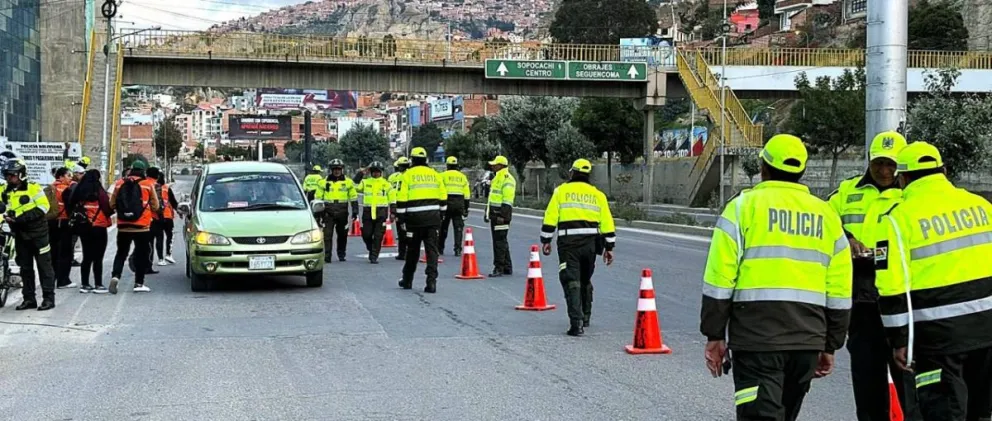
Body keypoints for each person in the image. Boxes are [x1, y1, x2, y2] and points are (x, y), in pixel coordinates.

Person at [700, 134, 853, 421]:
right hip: (807, 341)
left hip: (757, 340)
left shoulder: (742, 208)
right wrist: (831, 343)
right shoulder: (827, 216)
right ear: (802, 171)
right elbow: (840, 289)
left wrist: (715, 334)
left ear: (763, 167)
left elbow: (720, 279)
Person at [875, 141, 992, 421]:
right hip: (987, 331)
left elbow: (891, 288)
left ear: (902, 178)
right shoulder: (982, 207)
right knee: (981, 411)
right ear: (944, 170)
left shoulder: (896, 220)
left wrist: (900, 341)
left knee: (943, 411)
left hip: (937, 339)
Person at [828, 131, 917, 421]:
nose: (884, 170)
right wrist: (848, 239)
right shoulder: (846, 191)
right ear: (869, 160)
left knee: (909, 386)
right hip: (862, 303)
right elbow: (826, 221)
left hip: (901, 303)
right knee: (867, 386)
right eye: (878, 163)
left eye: (891, 164)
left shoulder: (910, 196)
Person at [540, 159, 616, 336]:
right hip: (591, 245)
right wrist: (609, 247)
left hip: (569, 245)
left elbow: (550, 217)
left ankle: (576, 323)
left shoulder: (561, 191)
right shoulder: (598, 195)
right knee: (585, 279)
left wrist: (546, 240)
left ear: (572, 172)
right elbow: (607, 222)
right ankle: (586, 317)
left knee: (571, 280)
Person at [1, 159, 57, 310]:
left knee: (44, 267)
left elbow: (43, 207)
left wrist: (20, 218)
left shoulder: (33, 188)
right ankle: (29, 299)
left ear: (21, 175)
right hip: (20, 234)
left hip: (38, 233)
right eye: (7, 175)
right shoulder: (5, 190)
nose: (9, 178)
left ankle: (48, 298)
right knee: (25, 268)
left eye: (12, 175)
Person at [395, 147, 446, 293]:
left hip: (414, 220)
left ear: (412, 159)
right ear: (426, 160)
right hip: (432, 219)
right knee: (432, 251)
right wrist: (441, 215)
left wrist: (401, 219)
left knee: (412, 251)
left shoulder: (407, 175)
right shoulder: (435, 175)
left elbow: (401, 198)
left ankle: (407, 280)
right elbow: (443, 197)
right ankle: (431, 282)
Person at [110, 160, 160, 294]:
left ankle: (115, 276)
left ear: (131, 169)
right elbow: (156, 206)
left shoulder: (120, 183)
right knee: (141, 254)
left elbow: (112, 204)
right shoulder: (148, 184)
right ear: (143, 171)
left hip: (123, 226)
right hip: (142, 227)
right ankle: (139, 283)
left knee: (121, 253)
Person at [67, 169, 113, 293]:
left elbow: (71, 204)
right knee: (98, 256)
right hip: (99, 225)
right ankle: (98, 284)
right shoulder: (100, 191)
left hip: (83, 226)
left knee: (87, 256)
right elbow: (108, 208)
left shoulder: (79, 190)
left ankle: (85, 284)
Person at [314, 159, 357, 263]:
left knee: (342, 235)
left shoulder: (348, 182)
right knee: (327, 235)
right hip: (328, 212)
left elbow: (353, 197)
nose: (337, 171)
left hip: (342, 212)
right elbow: (318, 198)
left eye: (339, 169)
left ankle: (341, 254)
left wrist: (355, 211)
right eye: (334, 169)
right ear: (331, 170)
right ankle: (327, 256)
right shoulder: (323, 182)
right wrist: (318, 214)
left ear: (342, 169)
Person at [355, 161, 392, 264]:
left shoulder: (386, 184)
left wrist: (393, 212)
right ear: (370, 172)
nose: (375, 173)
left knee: (378, 236)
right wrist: (360, 174)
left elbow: (392, 198)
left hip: (381, 212)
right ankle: (371, 249)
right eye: (373, 171)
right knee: (366, 234)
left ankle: (374, 256)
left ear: (381, 172)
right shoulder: (365, 182)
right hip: (368, 212)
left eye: (377, 171)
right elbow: (354, 186)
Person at [485, 155, 515, 277]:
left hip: (501, 215)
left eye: (495, 164)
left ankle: (499, 268)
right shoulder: (497, 177)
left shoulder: (507, 179)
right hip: (495, 214)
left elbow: (507, 200)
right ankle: (507, 267)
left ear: (501, 165)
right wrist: (487, 212)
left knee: (499, 242)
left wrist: (503, 216)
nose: (493, 166)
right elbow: (492, 198)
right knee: (501, 240)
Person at [48, 167, 76, 289]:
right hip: (64, 222)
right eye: (68, 175)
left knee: (53, 252)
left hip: (51, 222)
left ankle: (51, 278)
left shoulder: (50, 188)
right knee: (66, 252)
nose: (70, 178)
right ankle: (63, 280)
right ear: (60, 177)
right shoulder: (67, 189)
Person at [439, 156, 470, 256]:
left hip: (446, 203)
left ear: (447, 165)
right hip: (459, 203)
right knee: (458, 228)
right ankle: (457, 249)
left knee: (443, 227)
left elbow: (439, 192)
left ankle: (440, 248)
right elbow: (467, 194)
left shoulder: (442, 176)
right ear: (456, 166)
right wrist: (466, 208)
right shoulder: (462, 177)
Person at [389, 157, 411, 260]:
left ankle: (402, 253)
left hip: (397, 205)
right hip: (410, 204)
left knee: (401, 230)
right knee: (410, 230)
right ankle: (410, 251)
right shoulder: (411, 176)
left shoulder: (393, 177)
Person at [154, 171, 178, 266]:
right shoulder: (167, 189)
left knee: (159, 238)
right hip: (167, 216)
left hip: (156, 217)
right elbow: (173, 202)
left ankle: (160, 259)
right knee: (170, 236)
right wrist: (179, 211)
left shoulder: (153, 188)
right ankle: (168, 254)